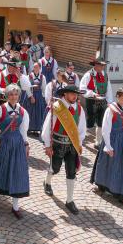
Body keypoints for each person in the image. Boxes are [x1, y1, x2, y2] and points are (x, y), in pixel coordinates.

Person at [0, 84, 30, 219]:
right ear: (6, 96)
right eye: (11, 94)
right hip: (2, 142)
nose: (13, 97)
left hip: (17, 145)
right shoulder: (0, 109)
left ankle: (15, 206)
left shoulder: (23, 112)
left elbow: (23, 130)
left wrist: (26, 143)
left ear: (19, 96)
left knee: (17, 172)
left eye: (16, 94)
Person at [90, 87, 123, 208]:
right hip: (112, 140)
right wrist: (108, 146)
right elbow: (106, 129)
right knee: (107, 163)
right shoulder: (111, 109)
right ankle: (102, 184)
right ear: (117, 97)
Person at [41, 85, 86, 214]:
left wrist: (79, 143)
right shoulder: (57, 107)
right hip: (58, 144)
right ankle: (47, 182)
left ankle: (69, 200)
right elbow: (47, 127)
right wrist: (48, 145)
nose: (75, 96)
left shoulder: (79, 109)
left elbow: (82, 129)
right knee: (55, 168)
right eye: (72, 94)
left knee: (71, 172)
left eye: (76, 94)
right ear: (65, 94)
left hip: (72, 145)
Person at [80, 57, 113, 149]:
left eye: (103, 65)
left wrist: (110, 102)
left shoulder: (105, 75)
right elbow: (82, 89)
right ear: (96, 65)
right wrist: (92, 94)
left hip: (103, 101)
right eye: (101, 65)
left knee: (101, 121)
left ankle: (98, 142)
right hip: (92, 101)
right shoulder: (88, 75)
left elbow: (109, 89)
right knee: (89, 121)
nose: (103, 67)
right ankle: (81, 138)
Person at [24, 62, 46, 135]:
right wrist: (31, 96)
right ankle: (29, 128)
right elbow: (27, 88)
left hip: (39, 96)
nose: (35, 68)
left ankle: (36, 129)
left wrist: (42, 98)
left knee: (38, 112)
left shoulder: (43, 77)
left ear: (40, 68)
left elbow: (44, 88)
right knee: (30, 112)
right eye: (34, 67)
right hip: (31, 95)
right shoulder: (29, 76)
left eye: (36, 67)